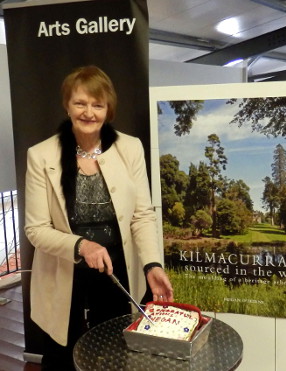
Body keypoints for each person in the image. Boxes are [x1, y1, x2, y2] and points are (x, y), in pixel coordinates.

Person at [24, 65, 173, 370]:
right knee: (62, 357)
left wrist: (152, 264)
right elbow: (36, 229)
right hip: (65, 272)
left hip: (117, 271)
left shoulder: (130, 148)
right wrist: (82, 246)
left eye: (97, 104)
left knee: (115, 354)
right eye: (80, 103)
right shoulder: (40, 155)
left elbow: (142, 215)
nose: (88, 112)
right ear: (67, 106)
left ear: (108, 109)